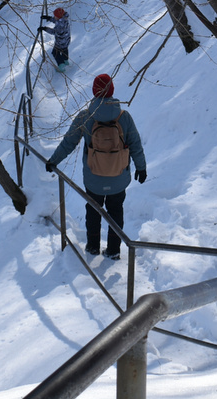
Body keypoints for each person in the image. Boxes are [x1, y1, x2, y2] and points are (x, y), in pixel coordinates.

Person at [45, 73, 147, 259]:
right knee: (116, 211)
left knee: (93, 211)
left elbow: (69, 142)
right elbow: (136, 144)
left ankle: (93, 246)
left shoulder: (86, 117)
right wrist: (141, 167)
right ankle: (114, 250)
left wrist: (54, 161)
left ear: (94, 91)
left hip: (93, 178)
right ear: (112, 91)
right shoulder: (124, 118)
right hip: (119, 177)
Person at [40, 7, 70, 71]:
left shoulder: (60, 25)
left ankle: (61, 65)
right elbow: (56, 20)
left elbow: (54, 32)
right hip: (66, 40)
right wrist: (49, 18)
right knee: (65, 49)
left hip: (60, 42)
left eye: (55, 16)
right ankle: (65, 60)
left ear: (58, 17)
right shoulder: (64, 18)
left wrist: (44, 28)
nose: (54, 17)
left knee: (55, 53)